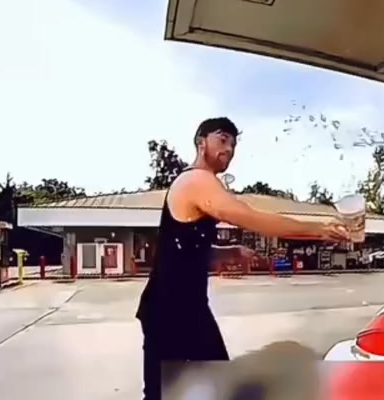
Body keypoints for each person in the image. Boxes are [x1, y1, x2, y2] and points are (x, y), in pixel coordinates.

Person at [135, 117, 350, 400]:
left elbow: (185, 250)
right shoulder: (196, 180)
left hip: (185, 308)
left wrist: (229, 251)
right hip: (171, 311)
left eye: (234, 145)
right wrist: (316, 229)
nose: (229, 149)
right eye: (222, 140)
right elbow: (248, 217)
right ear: (201, 143)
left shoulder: (198, 185)